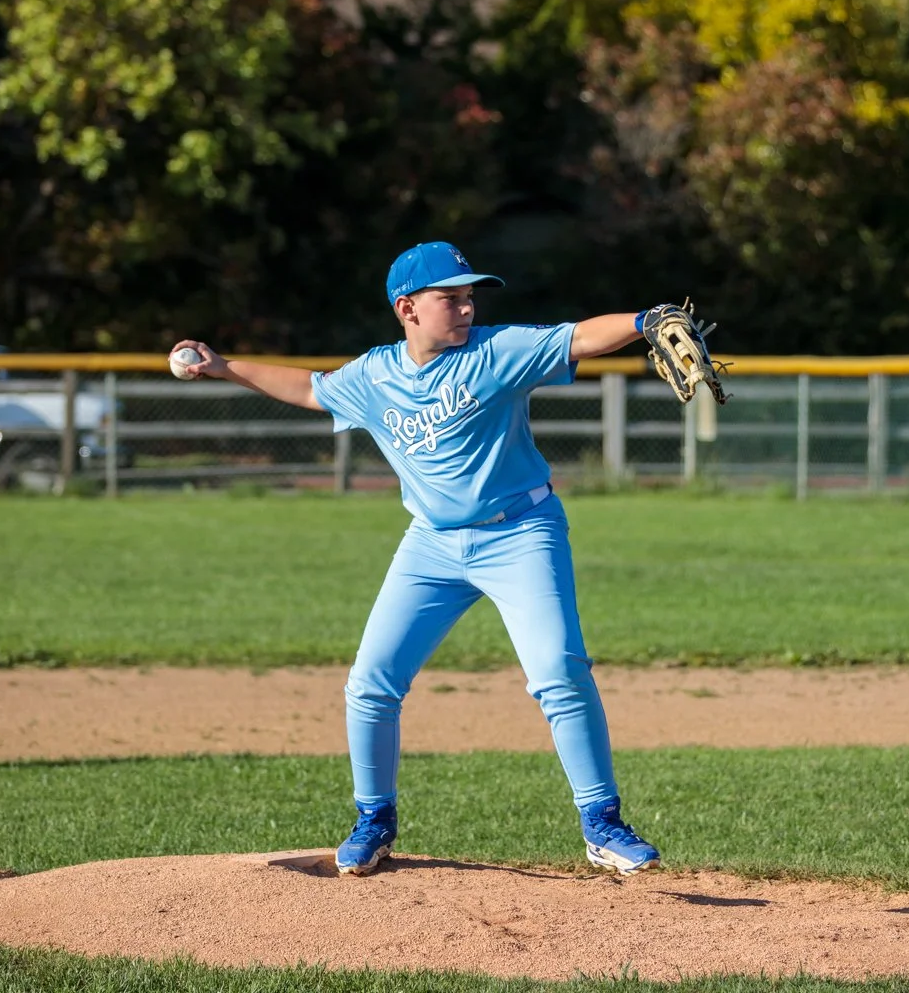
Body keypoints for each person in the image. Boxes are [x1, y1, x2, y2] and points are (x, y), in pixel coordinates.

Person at [171, 241, 669, 875]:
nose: (465, 308)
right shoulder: (374, 376)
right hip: (430, 544)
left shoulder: (496, 352)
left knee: (558, 671)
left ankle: (602, 823)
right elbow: (309, 388)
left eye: (469, 296)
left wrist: (641, 322)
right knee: (370, 684)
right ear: (407, 308)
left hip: (521, 533)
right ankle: (373, 820)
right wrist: (223, 367)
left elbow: (576, 337)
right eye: (450, 297)